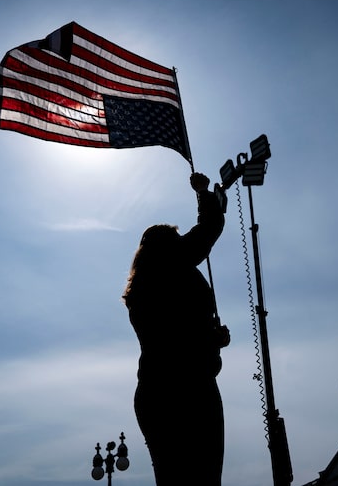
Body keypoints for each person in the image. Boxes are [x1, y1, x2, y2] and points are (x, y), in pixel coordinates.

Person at [123, 172, 229, 486]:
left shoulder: (139, 290)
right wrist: (202, 192)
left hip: (154, 394)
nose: (183, 241)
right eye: (177, 238)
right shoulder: (174, 266)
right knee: (205, 477)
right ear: (168, 247)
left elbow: (171, 336)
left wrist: (211, 340)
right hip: (189, 389)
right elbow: (209, 228)